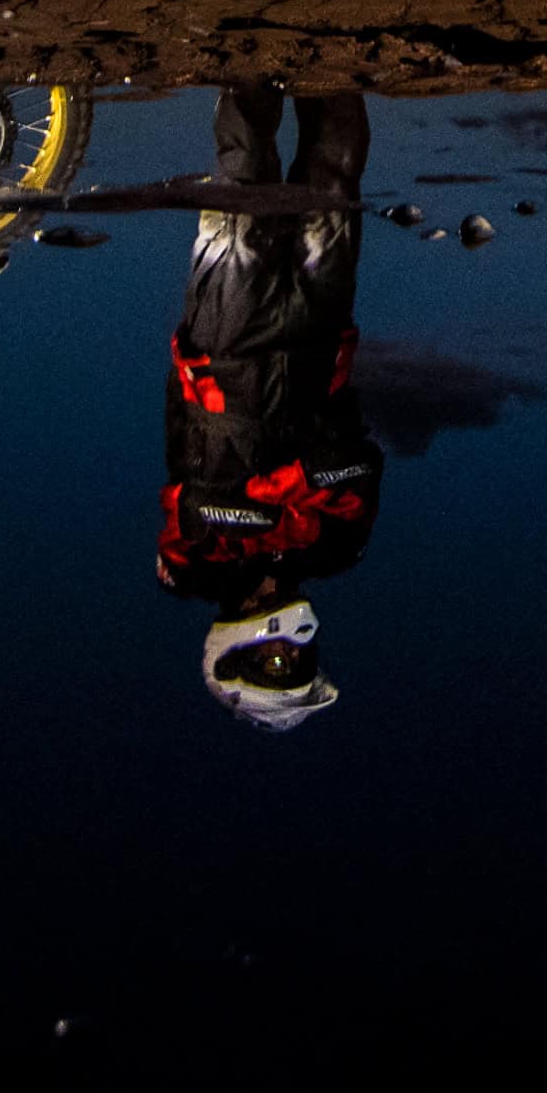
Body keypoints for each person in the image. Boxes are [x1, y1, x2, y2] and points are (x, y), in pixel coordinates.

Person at [155, 82, 381, 726]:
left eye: (273, 663)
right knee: (333, 179)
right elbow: (360, 466)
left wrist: (288, 489)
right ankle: (329, 56)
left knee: (246, 182)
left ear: (233, 655)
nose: (287, 649)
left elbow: (200, 508)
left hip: (228, 353)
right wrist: (293, 486)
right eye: (295, 662)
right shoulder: (333, 552)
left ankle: (247, 60)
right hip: (317, 348)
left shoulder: (193, 571)